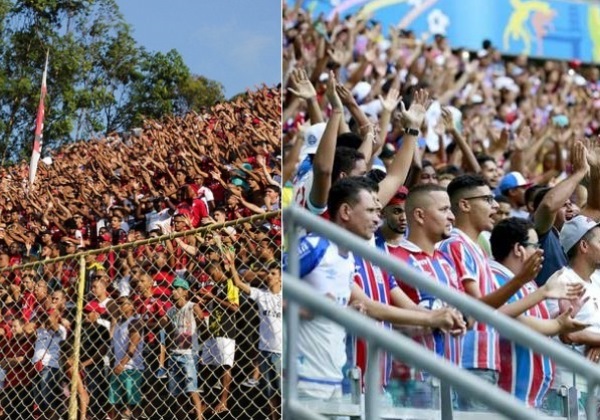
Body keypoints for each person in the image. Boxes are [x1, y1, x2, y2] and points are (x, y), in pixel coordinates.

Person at [286, 177, 464, 402]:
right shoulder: (315, 246)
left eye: (378, 211)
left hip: (337, 379)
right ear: (346, 212)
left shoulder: (347, 258)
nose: (377, 218)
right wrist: (307, 308)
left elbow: (370, 307)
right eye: (370, 210)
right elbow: (277, 289)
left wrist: (436, 317)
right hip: (305, 378)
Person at [228, 251, 282, 420]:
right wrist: (231, 266)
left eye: (273, 274)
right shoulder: (261, 295)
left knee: (282, 389)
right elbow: (237, 283)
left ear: (281, 278)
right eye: (268, 273)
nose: (269, 276)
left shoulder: (285, 298)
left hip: (281, 350)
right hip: (265, 350)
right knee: (270, 391)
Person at [164, 277, 205, 420]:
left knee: (192, 390)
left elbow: (201, 322)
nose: (173, 291)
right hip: (174, 353)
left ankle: (199, 417)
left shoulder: (192, 307)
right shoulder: (170, 311)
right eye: (172, 289)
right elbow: (168, 332)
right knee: (178, 394)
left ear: (185, 292)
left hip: (189, 353)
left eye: (177, 288)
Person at [201, 261, 240, 414]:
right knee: (205, 365)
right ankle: (207, 400)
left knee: (225, 365)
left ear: (218, 270)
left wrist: (213, 297)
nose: (212, 278)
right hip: (213, 331)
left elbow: (234, 307)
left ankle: (224, 401)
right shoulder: (216, 287)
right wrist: (206, 299)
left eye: (212, 274)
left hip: (226, 331)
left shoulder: (230, 283)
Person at [109, 296, 144, 420]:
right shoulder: (118, 324)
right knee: (115, 404)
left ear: (131, 306)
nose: (119, 306)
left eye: (122, 304)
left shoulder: (135, 322)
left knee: (133, 403)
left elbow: (132, 347)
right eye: (117, 304)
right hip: (117, 368)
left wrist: (122, 364)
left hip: (131, 368)